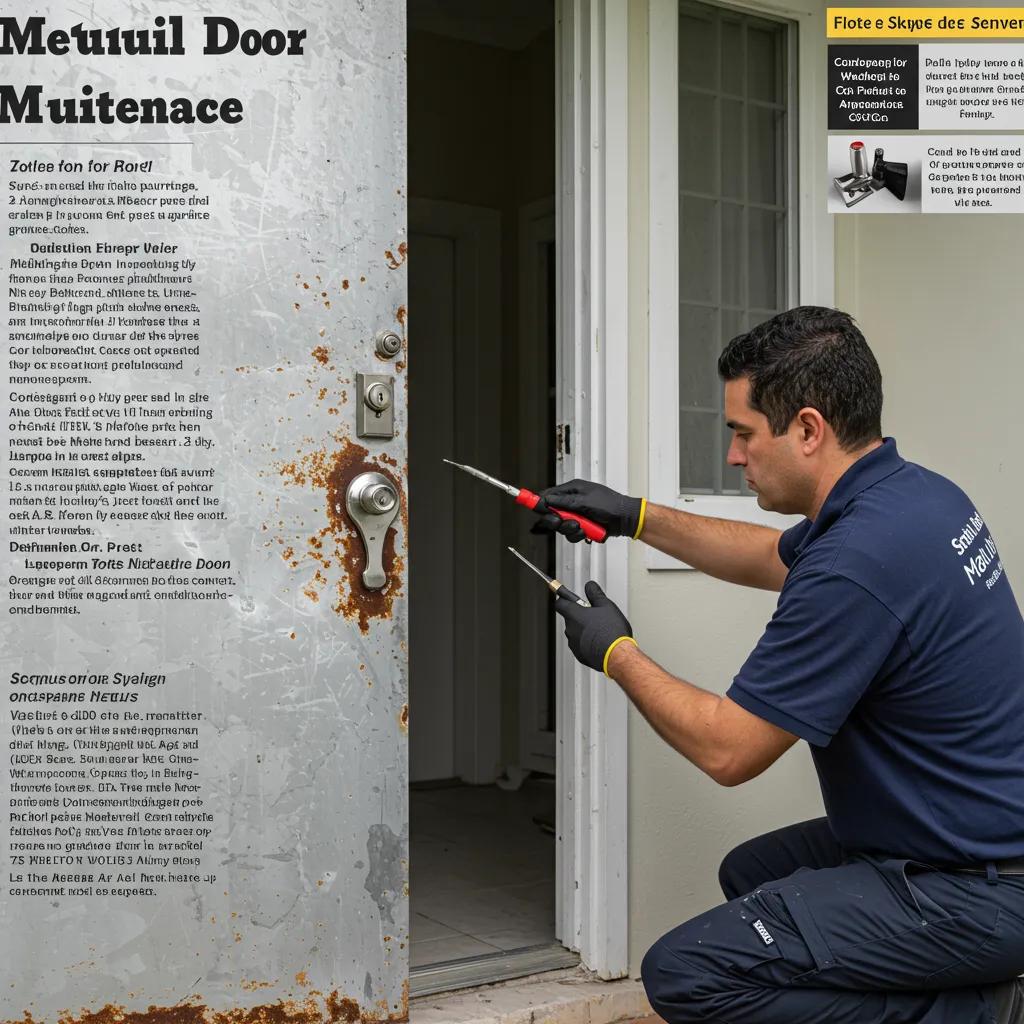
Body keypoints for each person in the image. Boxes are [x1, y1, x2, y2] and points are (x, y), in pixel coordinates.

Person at [532, 307, 1024, 1024]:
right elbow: (770, 556)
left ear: (808, 428)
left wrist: (615, 652)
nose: (734, 455)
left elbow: (729, 750)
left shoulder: (859, 563)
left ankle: (979, 1012)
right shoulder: (917, 497)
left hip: (975, 887)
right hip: (968, 837)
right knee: (754, 873)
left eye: (742, 432)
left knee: (686, 973)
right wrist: (633, 516)